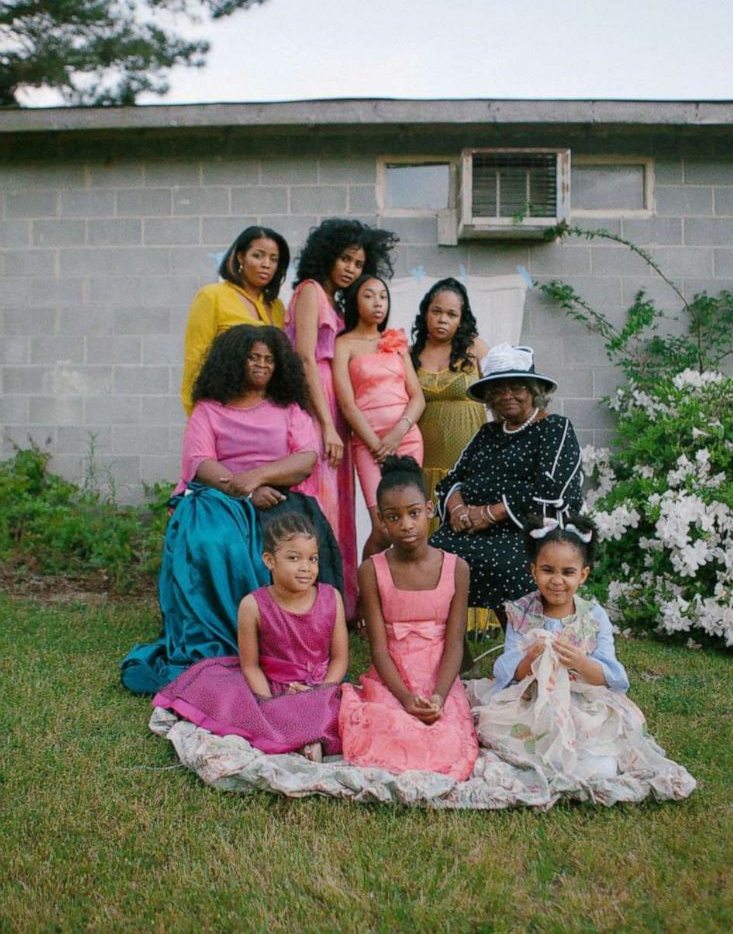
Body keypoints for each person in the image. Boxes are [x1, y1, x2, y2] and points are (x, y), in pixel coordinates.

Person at [121, 324, 342, 695]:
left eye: (269, 359)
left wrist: (256, 477)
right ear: (233, 362)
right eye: (253, 357)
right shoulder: (209, 410)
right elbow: (200, 463)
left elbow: (306, 459)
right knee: (213, 542)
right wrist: (243, 492)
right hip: (219, 495)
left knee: (281, 549)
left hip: (278, 495)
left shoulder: (288, 409)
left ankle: (283, 644)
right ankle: (227, 639)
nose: (261, 365)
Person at [467, 516, 697, 802]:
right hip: (532, 697)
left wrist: (578, 661)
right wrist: (533, 659)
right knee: (498, 728)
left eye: (568, 572)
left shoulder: (593, 616)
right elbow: (508, 669)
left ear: (583, 575)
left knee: (595, 748)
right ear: (533, 570)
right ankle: (543, 757)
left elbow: (609, 676)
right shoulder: (522, 612)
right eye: (548, 570)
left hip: (581, 698)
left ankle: (585, 760)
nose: (557, 581)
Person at [152, 513, 348, 761]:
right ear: (270, 560)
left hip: (322, 686)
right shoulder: (253, 605)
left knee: (337, 713)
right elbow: (250, 665)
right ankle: (297, 739)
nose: (305, 567)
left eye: (313, 559)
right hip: (272, 684)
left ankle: (302, 738)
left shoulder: (331, 598)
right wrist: (266, 702)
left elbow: (340, 659)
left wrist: (321, 692)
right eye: (293, 558)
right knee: (236, 703)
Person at [338, 456, 479, 782]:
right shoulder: (372, 571)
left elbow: (455, 644)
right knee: (389, 731)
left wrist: (439, 697)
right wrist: (404, 698)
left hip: (439, 676)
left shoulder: (456, 568)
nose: (405, 524)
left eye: (413, 513)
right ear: (382, 522)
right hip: (394, 676)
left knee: (445, 740)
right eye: (393, 517)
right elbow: (379, 650)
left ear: (429, 509)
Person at [285, 218, 397, 612]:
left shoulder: (333, 300)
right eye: (344, 259)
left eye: (358, 262)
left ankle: (340, 603)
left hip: (336, 414)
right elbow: (303, 358)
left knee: (340, 507)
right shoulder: (311, 291)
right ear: (326, 255)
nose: (351, 268)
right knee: (320, 503)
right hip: (317, 414)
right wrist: (327, 425)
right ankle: (313, 601)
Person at [430, 343, 583, 626]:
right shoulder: (487, 433)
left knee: (507, 565)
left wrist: (489, 514)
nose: (507, 395)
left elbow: (553, 492)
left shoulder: (554, 428)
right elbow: (452, 479)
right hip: (471, 528)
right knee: (431, 558)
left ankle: (524, 647)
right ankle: (451, 652)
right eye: (498, 390)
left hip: (527, 530)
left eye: (517, 388)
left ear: (534, 392)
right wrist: (459, 510)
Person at [333, 274, 425, 559]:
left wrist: (398, 433)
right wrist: (377, 445)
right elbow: (347, 404)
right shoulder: (344, 344)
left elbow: (418, 398)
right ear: (355, 300)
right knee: (383, 528)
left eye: (383, 297)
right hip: (368, 443)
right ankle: (364, 596)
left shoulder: (395, 341)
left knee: (408, 524)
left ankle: (403, 593)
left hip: (407, 439)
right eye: (369, 295)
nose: (378, 303)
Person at [181, 225, 289, 415]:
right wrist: (196, 413)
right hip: (223, 408)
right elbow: (195, 358)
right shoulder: (212, 296)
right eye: (258, 255)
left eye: (274, 259)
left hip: (267, 412)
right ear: (240, 257)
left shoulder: (277, 306)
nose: (266, 264)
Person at [410, 277, 488, 509]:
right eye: (436, 311)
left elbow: (501, 395)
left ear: (461, 320)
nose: (443, 319)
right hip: (423, 467)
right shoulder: (410, 354)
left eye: (452, 314)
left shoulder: (475, 348)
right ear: (426, 313)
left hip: (470, 466)